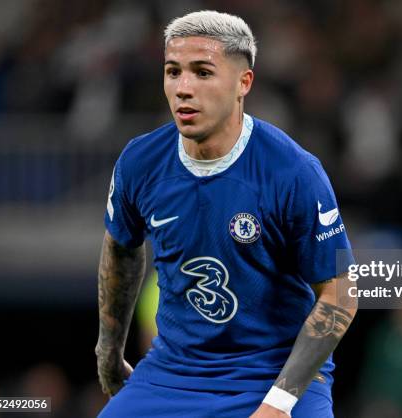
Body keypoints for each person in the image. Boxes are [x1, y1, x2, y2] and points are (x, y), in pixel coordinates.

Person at [95, 10, 356, 418]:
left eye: (202, 72)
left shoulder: (294, 172)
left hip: (274, 374)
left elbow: (341, 292)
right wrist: (109, 349)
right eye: (172, 71)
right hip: (173, 373)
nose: (183, 88)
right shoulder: (139, 162)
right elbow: (121, 248)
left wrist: (279, 404)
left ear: (243, 83)